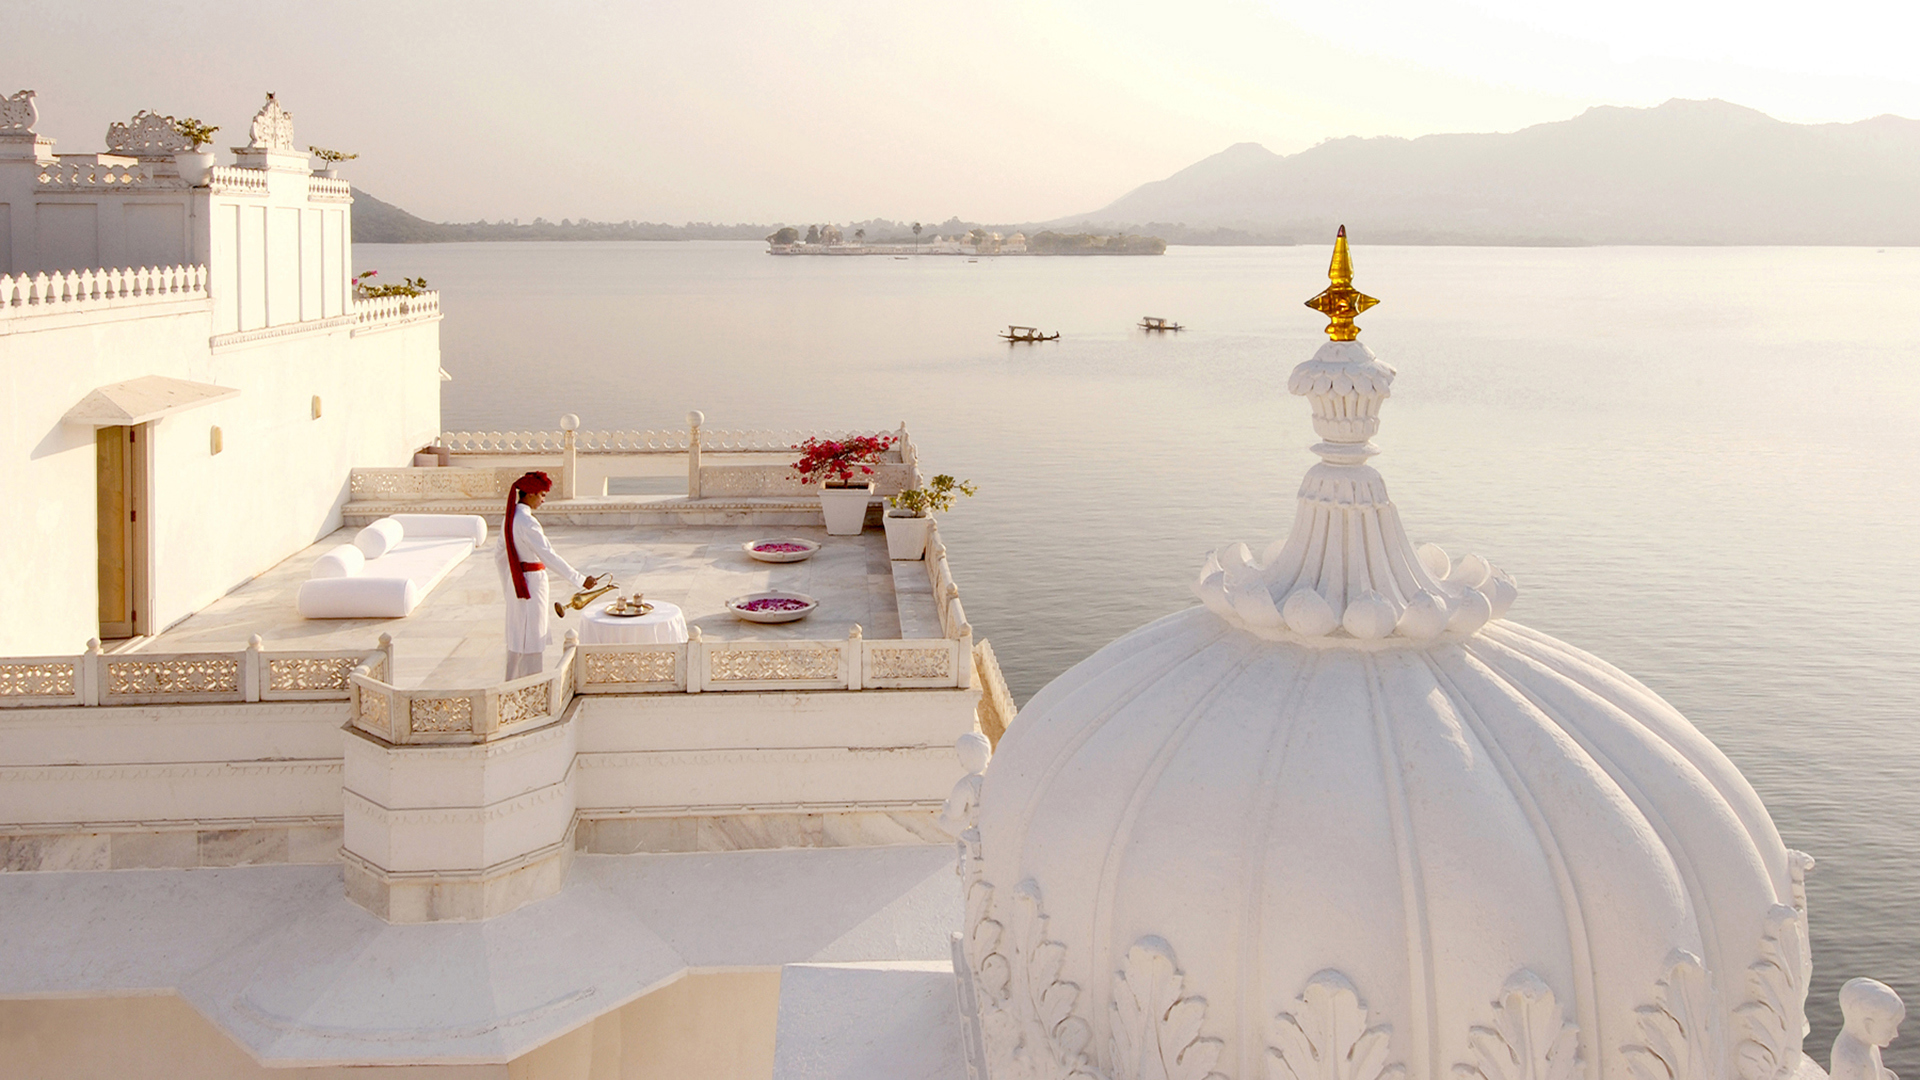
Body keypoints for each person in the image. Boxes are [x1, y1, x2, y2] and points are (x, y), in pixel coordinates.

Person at [497, 471, 599, 680]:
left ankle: (511, 684)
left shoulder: (509, 518)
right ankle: (531, 687)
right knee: (532, 637)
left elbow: (499, 555)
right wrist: (580, 579)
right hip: (531, 584)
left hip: (517, 583)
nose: (543, 500)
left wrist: (508, 582)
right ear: (531, 493)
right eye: (542, 495)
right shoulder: (527, 522)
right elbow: (549, 557)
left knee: (517, 637)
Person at [1832, 977, 1905, 1080]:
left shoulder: (1869, 1045)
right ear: (1868, 1026)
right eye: (1890, 1029)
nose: (1895, 1034)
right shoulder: (1848, 1061)